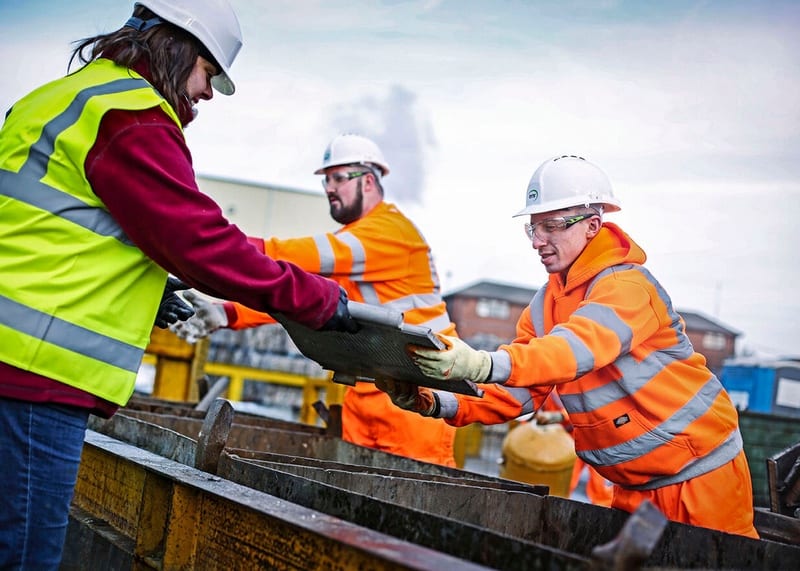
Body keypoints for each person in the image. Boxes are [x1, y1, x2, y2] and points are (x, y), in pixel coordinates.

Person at [0, 2, 358, 568]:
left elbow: (49, 227)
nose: (208, 93)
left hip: (13, 360)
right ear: (175, 45)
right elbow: (201, 242)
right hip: (32, 374)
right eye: (209, 73)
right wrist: (316, 300)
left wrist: (148, 285)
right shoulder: (133, 117)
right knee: (24, 557)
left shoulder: (57, 98)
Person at [380, 154, 758, 538]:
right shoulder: (545, 307)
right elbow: (518, 391)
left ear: (593, 225)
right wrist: (437, 401)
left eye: (551, 226)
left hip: (701, 476)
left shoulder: (627, 287)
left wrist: (480, 363)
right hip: (636, 486)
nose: (538, 242)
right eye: (533, 229)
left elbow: (574, 348)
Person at [173, 133, 460, 467]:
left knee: (416, 500)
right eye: (326, 179)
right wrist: (227, 313)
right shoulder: (358, 245)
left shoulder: (390, 233)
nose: (329, 188)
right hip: (371, 390)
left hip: (418, 398)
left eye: (338, 177)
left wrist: (207, 244)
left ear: (368, 180)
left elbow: (290, 259)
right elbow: (303, 295)